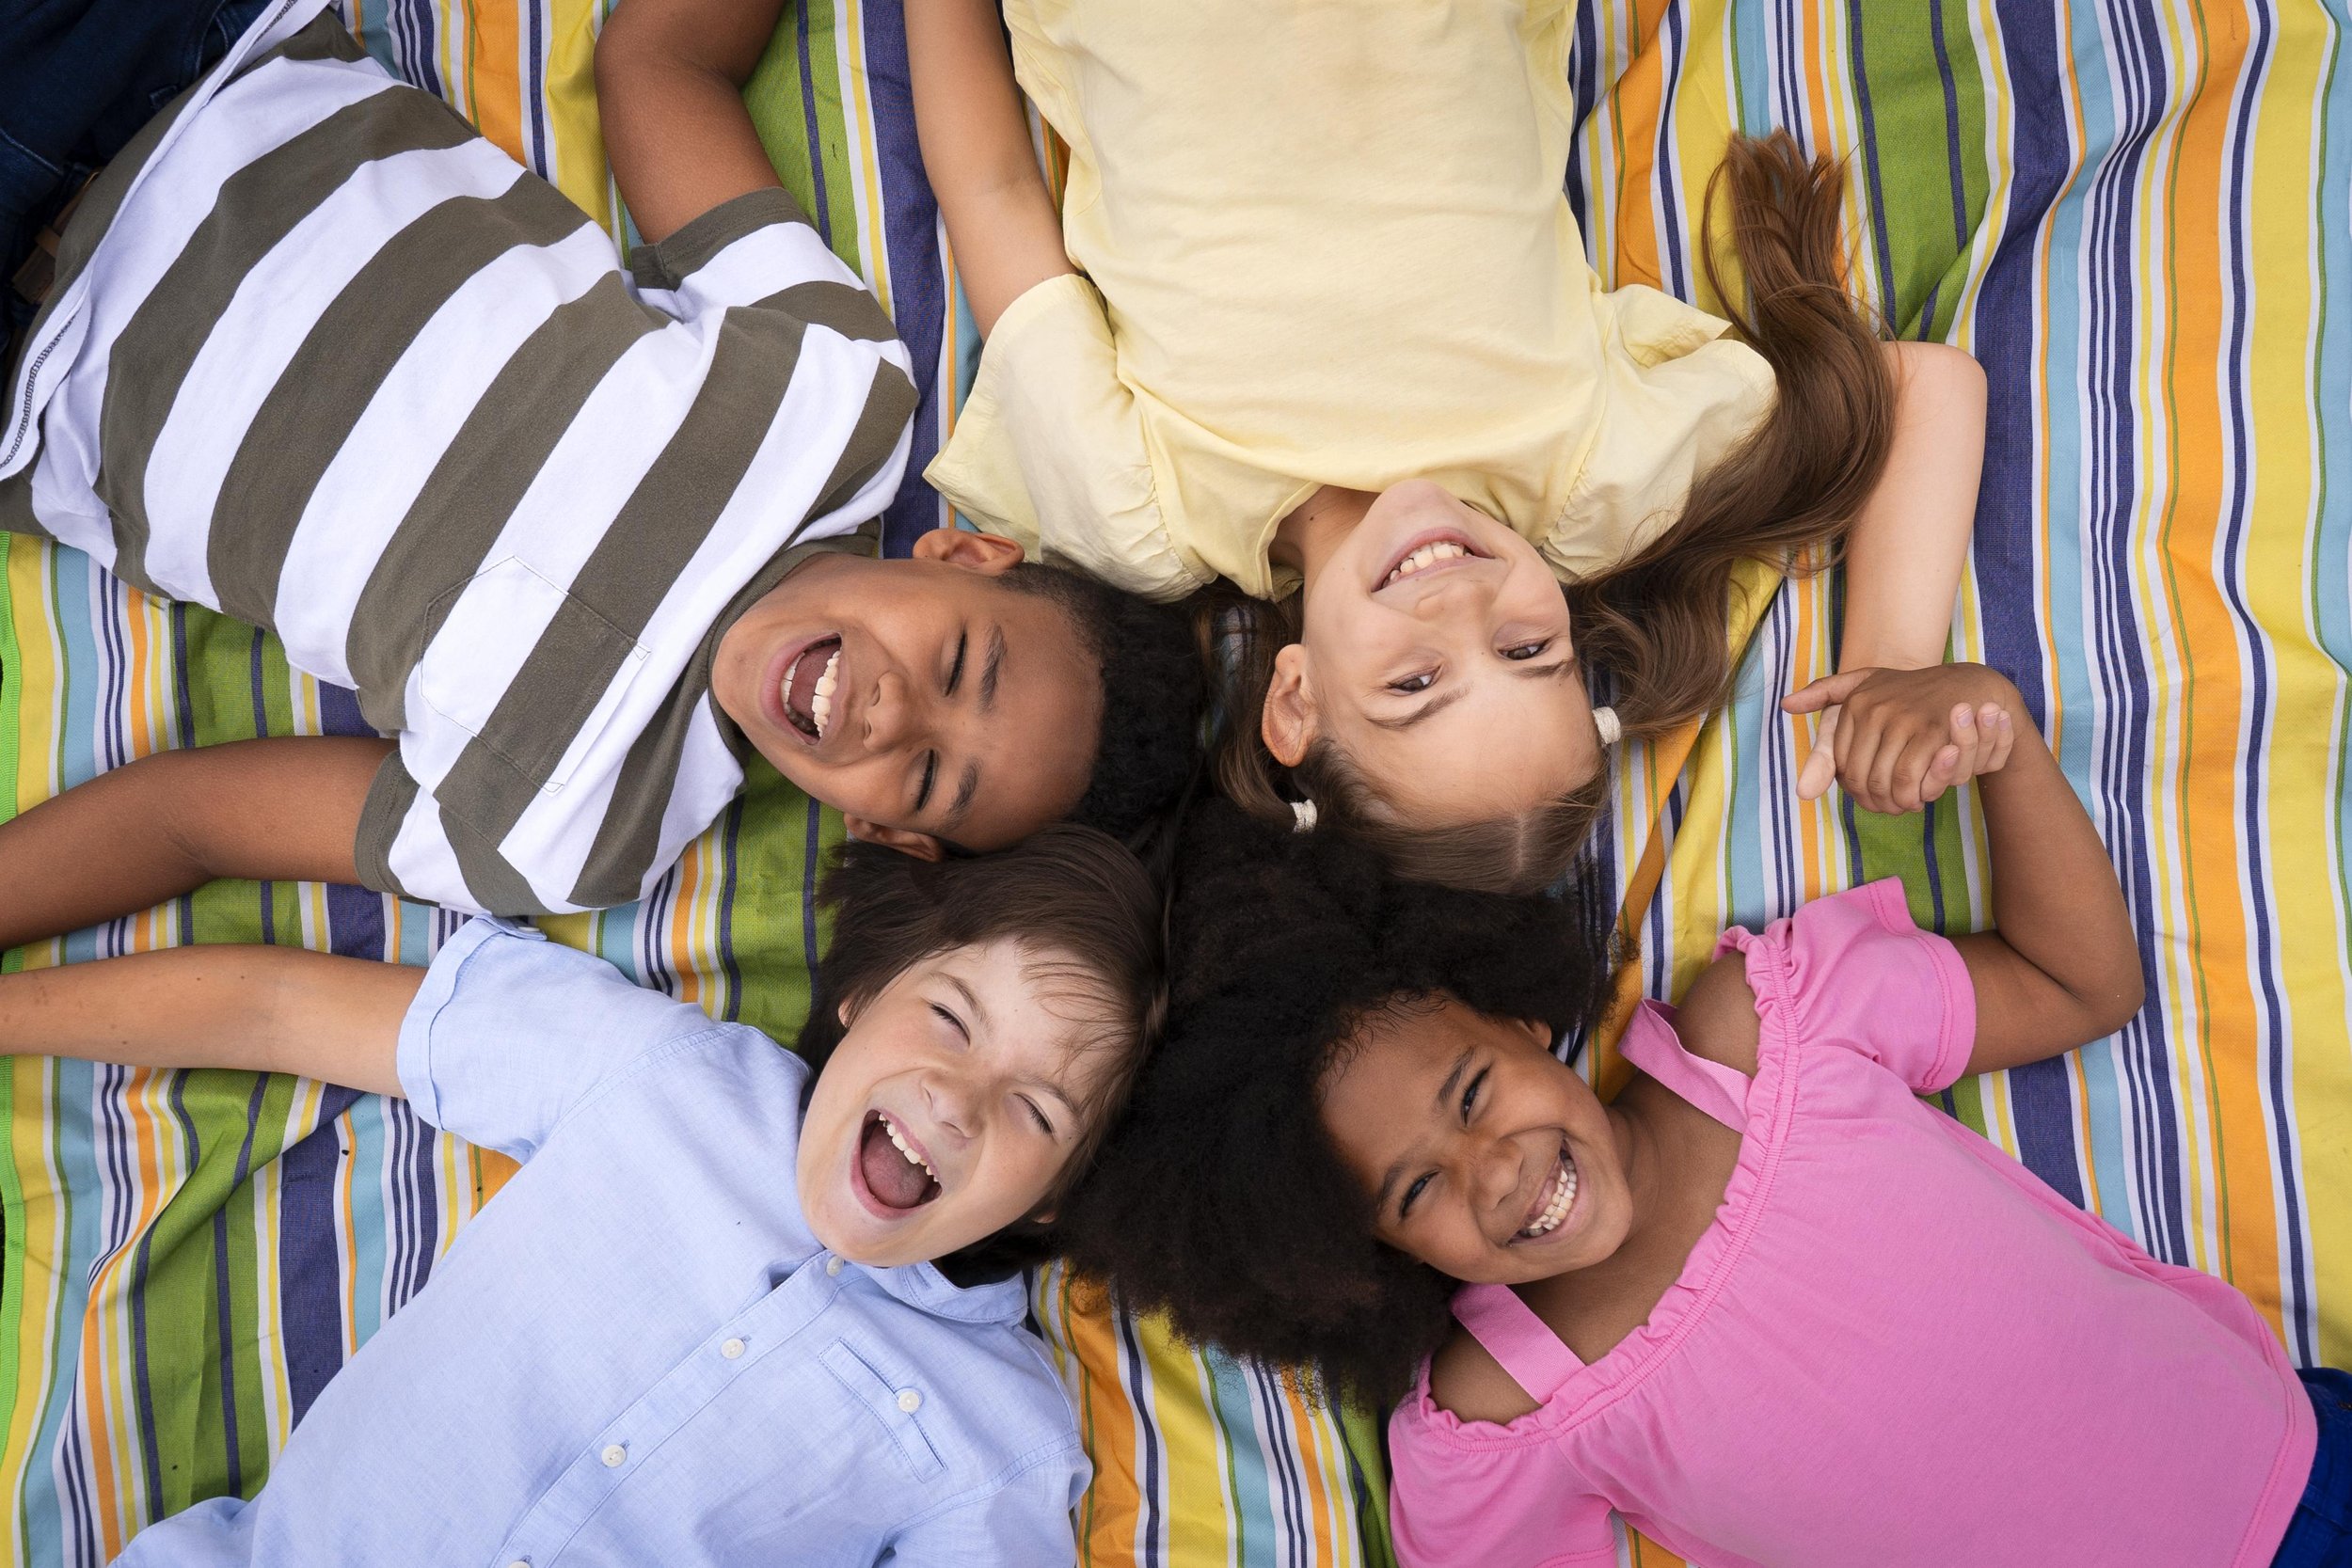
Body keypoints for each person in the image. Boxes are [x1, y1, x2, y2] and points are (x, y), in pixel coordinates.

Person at [1067, 670, 2344, 1564]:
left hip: (2300, 1463)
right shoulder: (1499, 1409)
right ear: (1366, 1253)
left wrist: (1996, 728)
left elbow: (2079, 984)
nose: (1494, 1169)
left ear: (1517, 1018)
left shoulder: (1770, 1026)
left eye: (1471, 1092)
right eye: (1414, 1189)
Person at [0, 0, 1201, 934]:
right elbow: (661, 65)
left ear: (889, 834)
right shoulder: (837, 403)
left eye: (930, 775)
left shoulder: (564, 837)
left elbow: (190, 820)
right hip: (185, 69)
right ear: (964, 552)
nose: (891, 712)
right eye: (956, 662)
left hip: (27, 385)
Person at [904, 0, 1989, 892]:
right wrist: (1892, 661)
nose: (1462, 607)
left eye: (1415, 680)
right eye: (1528, 651)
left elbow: (992, 188)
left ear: (1295, 701)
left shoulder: (1146, 514)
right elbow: (1918, 391)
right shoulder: (1585, 480)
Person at [0, 824, 1160, 1565]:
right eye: (949, 1016)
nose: (958, 1098)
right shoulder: (665, 1073)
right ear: (863, 993)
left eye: (1037, 1111)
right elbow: (278, 1009)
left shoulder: (1002, 1438)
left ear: (1054, 1200)